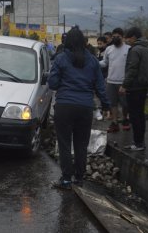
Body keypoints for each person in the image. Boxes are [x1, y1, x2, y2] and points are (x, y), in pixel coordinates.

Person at [48, 27, 110, 190]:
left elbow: (53, 84)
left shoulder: (61, 59)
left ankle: (66, 179)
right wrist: (106, 105)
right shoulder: (93, 61)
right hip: (85, 107)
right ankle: (79, 178)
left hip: (64, 106)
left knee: (65, 144)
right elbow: (100, 86)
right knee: (81, 144)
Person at [120, 27, 148, 151]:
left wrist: (125, 85)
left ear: (133, 37)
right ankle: (139, 142)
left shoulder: (135, 50)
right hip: (143, 86)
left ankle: (138, 143)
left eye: (128, 38)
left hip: (134, 87)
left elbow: (132, 69)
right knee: (140, 114)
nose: (127, 41)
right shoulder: (146, 49)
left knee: (134, 115)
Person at [99, 28, 131, 133]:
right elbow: (105, 62)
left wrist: (127, 82)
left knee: (125, 104)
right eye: (113, 37)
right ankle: (115, 122)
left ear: (123, 37)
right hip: (110, 81)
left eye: (118, 36)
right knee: (113, 104)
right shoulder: (109, 49)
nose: (116, 38)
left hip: (123, 82)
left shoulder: (129, 49)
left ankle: (125, 119)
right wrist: (96, 63)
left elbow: (131, 66)